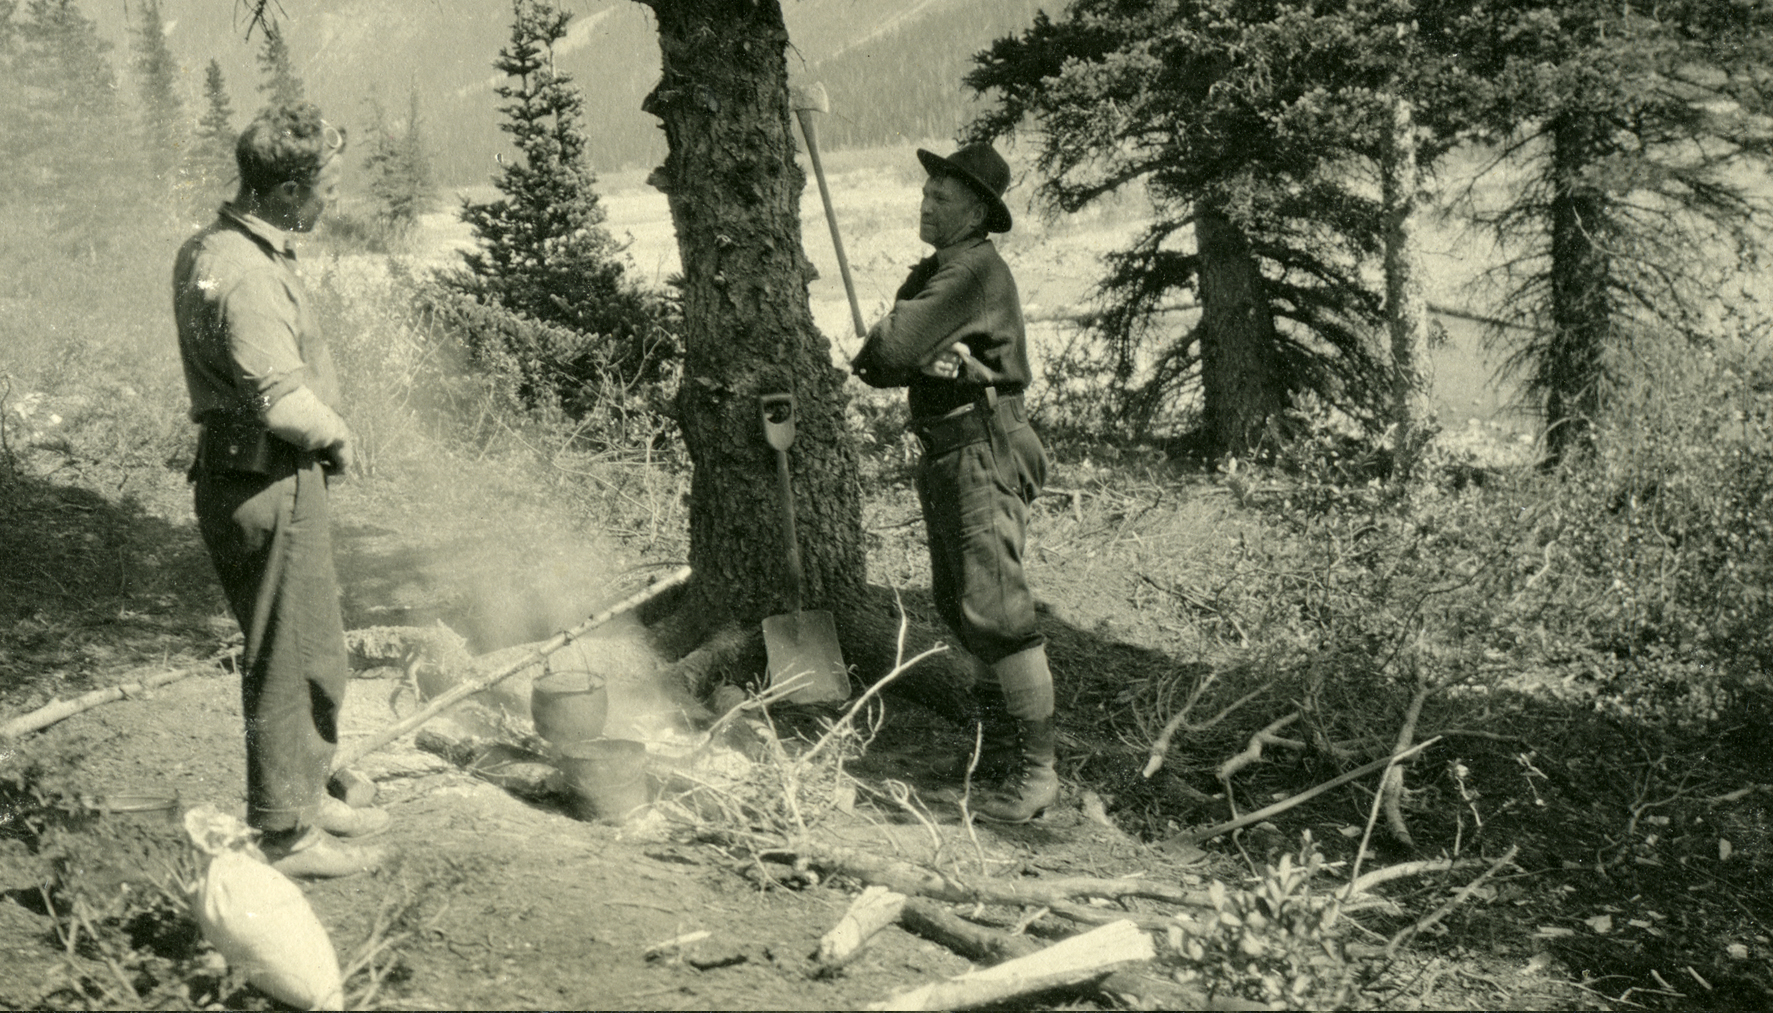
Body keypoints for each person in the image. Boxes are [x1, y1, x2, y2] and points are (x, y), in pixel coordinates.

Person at [173, 102, 391, 877]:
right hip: (269, 478)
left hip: (243, 474)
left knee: (311, 646)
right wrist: (340, 434)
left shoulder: (208, 248)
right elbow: (283, 404)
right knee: (286, 656)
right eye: (325, 188)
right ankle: (287, 833)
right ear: (289, 190)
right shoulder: (253, 277)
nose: (330, 202)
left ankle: (308, 794)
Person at [850, 143, 1057, 823]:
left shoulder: (971, 272)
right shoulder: (938, 270)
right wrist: (913, 352)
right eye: (925, 193)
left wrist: (906, 346)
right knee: (966, 605)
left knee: (997, 611)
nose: (926, 203)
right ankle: (996, 760)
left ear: (975, 213)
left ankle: (1034, 775)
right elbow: (878, 365)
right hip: (954, 448)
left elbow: (887, 349)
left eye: (941, 197)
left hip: (983, 448)